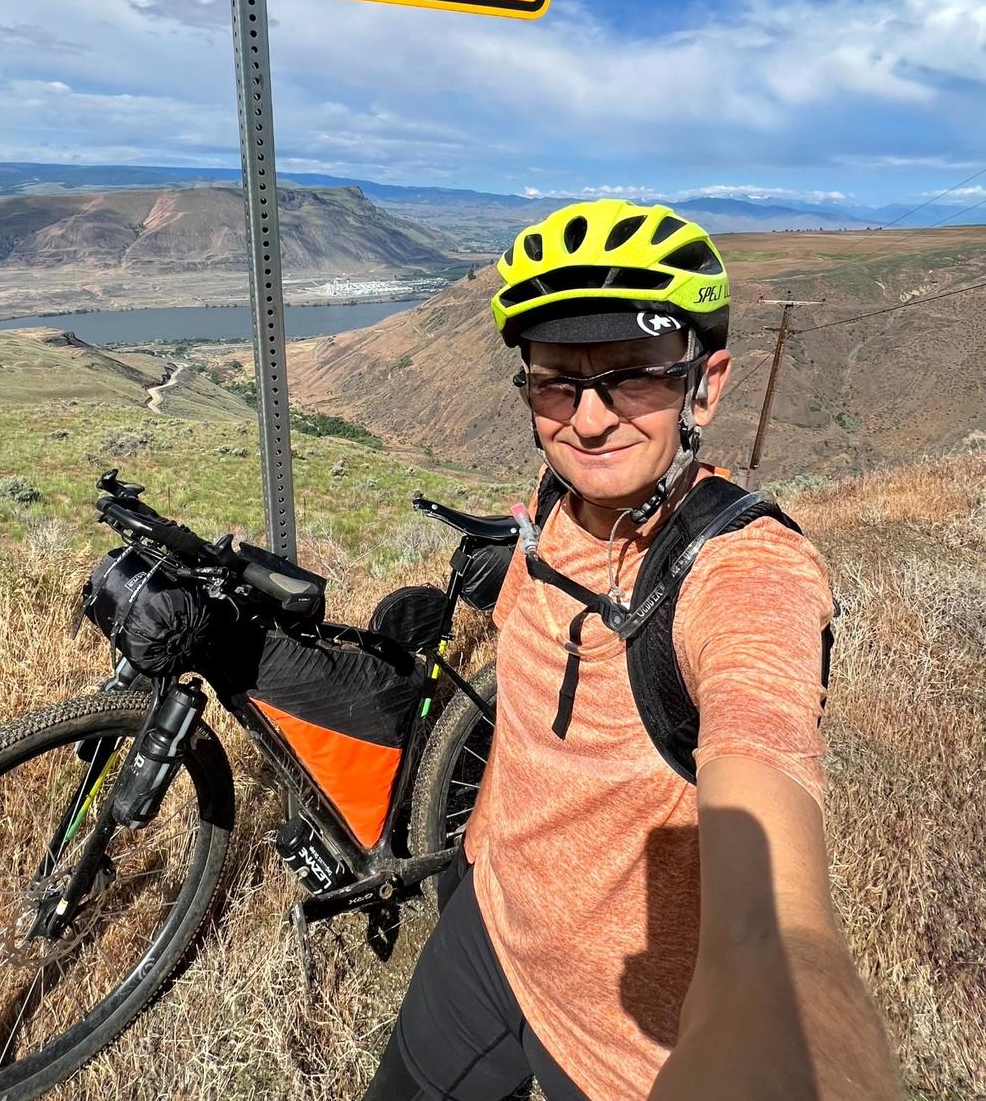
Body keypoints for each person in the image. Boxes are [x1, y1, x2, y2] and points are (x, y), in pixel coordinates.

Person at [363, 199, 901, 1101]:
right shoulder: (554, 500)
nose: (589, 420)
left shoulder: (742, 574)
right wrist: (475, 856)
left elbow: (776, 936)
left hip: (619, 1056)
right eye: (556, 383)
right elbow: (526, 713)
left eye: (635, 377)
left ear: (705, 384)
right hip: (486, 938)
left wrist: (792, 1038)